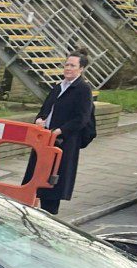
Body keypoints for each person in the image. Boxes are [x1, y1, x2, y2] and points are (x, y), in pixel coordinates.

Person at [22, 48, 96, 215]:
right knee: (35, 178)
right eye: (66, 64)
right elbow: (45, 109)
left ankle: (49, 215)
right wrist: (40, 120)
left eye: (72, 65)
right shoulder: (58, 87)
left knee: (52, 182)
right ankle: (29, 211)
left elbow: (82, 118)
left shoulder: (83, 89)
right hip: (45, 140)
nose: (68, 68)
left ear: (81, 69)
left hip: (63, 143)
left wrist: (59, 131)